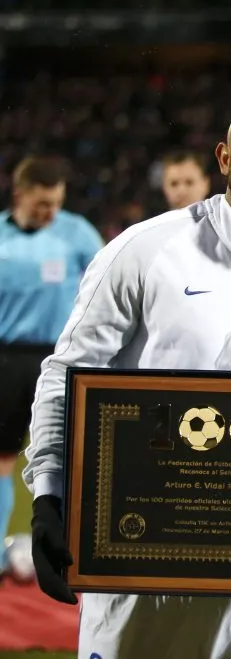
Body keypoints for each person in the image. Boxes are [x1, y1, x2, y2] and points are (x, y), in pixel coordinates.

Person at [23, 83, 231, 659]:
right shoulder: (144, 251)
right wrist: (48, 495)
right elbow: (68, 373)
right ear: (225, 158)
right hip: (138, 559)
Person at [0, 156, 103, 577]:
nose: (50, 212)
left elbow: (105, 287)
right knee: (3, 459)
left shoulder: (77, 233)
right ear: (20, 195)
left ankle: (77, 554)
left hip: (62, 358)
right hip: (8, 358)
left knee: (75, 458)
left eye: (56, 203)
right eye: (42, 204)